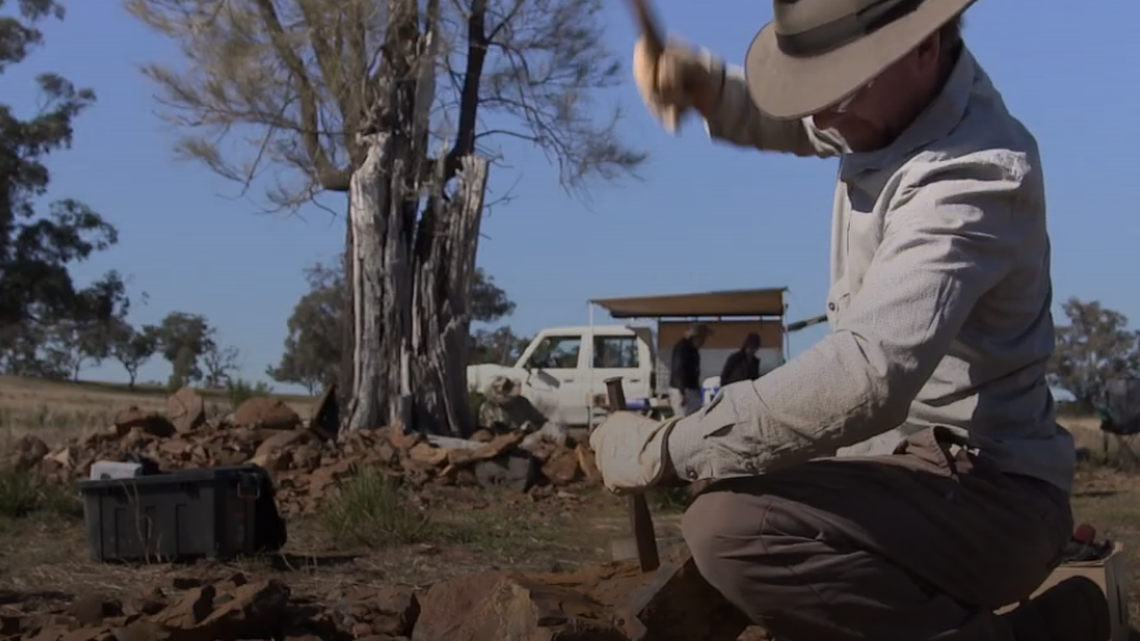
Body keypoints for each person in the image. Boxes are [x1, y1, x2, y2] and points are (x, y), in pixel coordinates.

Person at [589, 1, 1108, 640]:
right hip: (907, 474)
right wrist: (705, 88)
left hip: (992, 496)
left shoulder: (972, 175)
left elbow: (868, 376)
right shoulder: (890, 101)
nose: (822, 117)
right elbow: (797, 122)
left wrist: (668, 446)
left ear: (922, 47)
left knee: (728, 527)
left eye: (838, 91)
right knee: (737, 484)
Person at [668, 323, 710, 417]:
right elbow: (678, 369)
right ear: (696, 337)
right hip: (683, 390)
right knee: (684, 420)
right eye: (702, 339)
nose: (703, 342)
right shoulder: (683, 348)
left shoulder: (693, 350)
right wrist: (681, 392)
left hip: (691, 390)